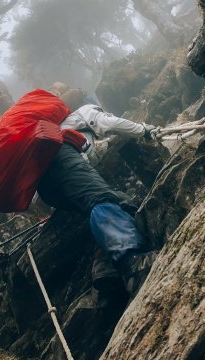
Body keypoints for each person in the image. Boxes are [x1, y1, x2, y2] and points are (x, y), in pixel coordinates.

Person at [37, 84, 158, 296]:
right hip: (62, 158)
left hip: (46, 187)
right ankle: (133, 265)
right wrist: (144, 130)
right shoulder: (84, 112)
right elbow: (110, 123)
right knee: (101, 199)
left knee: (119, 201)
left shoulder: (54, 133)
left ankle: (104, 265)